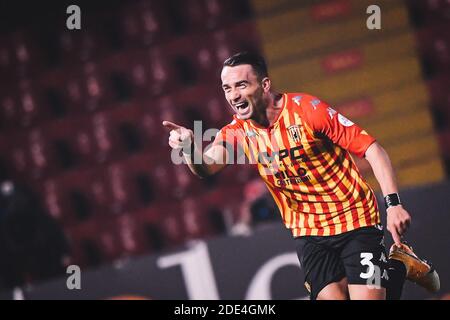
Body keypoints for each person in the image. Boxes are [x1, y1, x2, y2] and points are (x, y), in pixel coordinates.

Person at [162, 52, 440, 300]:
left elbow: (373, 150)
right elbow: (205, 167)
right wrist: (189, 148)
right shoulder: (236, 132)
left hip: (354, 218)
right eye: (227, 88)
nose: (233, 95)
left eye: (241, 85)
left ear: (265, 85)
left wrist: (393, 204)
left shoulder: (308, 111)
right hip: (308, 232)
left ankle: (400, 264)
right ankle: (400, 265)